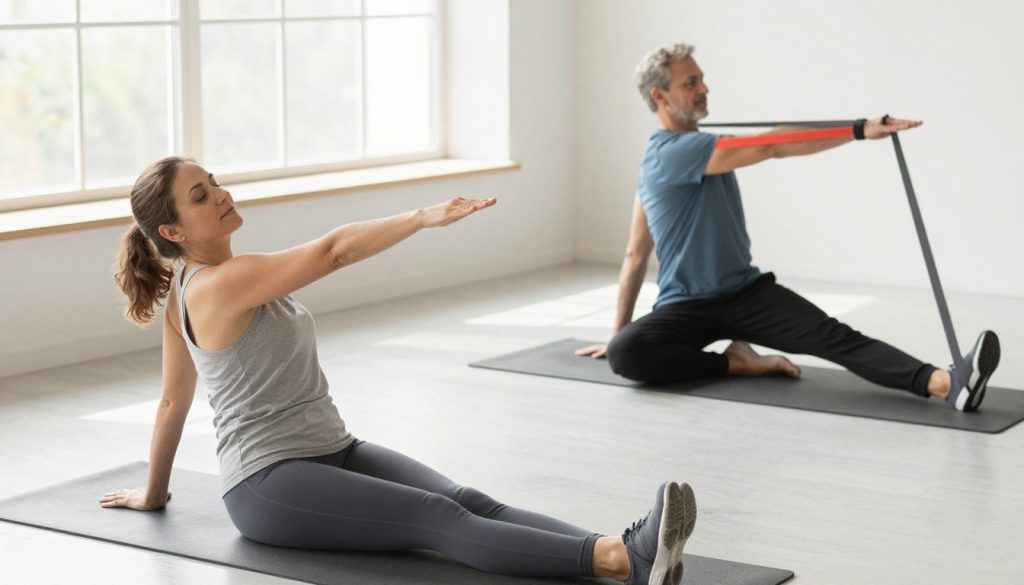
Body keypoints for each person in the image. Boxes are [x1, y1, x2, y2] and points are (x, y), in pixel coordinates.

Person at [99, 156, 697, 585]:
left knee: (469, 500)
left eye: (214, 182)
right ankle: (621, 562)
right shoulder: (216, 284)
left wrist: (154, 494)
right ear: (173, 231)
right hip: (269, 482)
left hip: (331, 448)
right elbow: (332, 251)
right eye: (201, 196)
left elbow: (171, 403)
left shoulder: (190, 287)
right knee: (436, 520)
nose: (221, 194)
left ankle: (616, 547)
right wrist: (421, 217)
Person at [577, 43, 1000, 412]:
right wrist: (858, 130)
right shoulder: (673, 154)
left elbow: (635, 255)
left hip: (746, 294)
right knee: (628, 354)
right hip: (684, 307)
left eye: (702, 79)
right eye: (691, 83)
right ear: (660, 96)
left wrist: (617, 333)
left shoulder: (698, 150)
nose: (704, 88)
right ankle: (737, 362)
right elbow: (771, 145)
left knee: (834, 337)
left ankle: (947, 384)